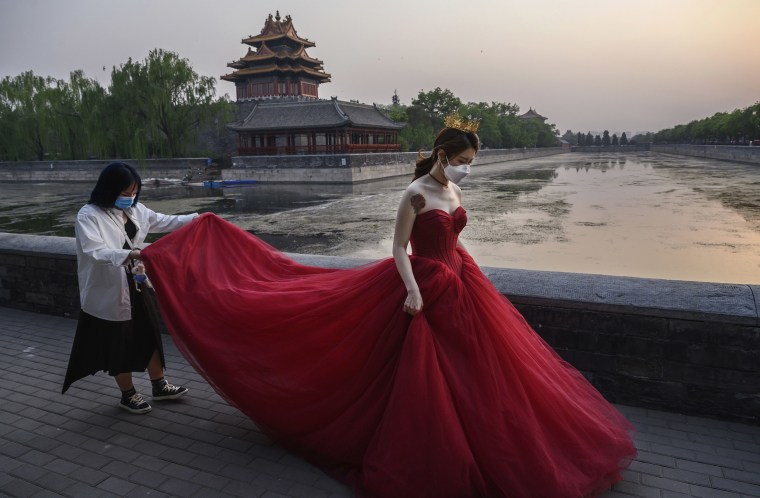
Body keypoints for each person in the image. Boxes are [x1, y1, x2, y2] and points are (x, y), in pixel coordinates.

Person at [140, 117, 636, 497]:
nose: (469, 167)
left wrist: (462, 268)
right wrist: (413, 289)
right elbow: (399, 248)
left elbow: (454, 234)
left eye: (473, 161)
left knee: (480, 370)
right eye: (464, 158)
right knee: (419, 375)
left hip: (460, 281)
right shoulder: (415, 194)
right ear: (444, 154)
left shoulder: (454, 188)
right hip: (423, 286)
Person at [62, 162, 199, 415]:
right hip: (109, 286)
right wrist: (132, 253)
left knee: (149, 332)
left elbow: (166, 221)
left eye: (134, 192)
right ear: (109, 189)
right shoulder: (89, 215)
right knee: (119, 340)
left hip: (136, 282)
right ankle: (128, 394)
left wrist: (198, 219)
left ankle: (159, 384)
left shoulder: (137, 210)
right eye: (125, 193)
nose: (131, 197)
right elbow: (96, 251)